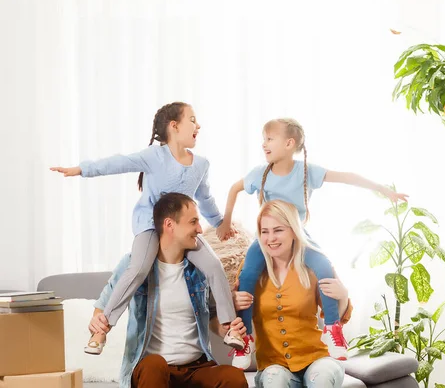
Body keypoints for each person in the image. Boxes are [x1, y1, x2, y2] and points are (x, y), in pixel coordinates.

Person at [50, 102, 241, 354]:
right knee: (138, 268)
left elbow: (205, 199)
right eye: (192, 120)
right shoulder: (154, 156)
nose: (198, 125)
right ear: (174, 126)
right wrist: (82, 169)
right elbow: (118, 163)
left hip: (183, 231)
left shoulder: (201, 165)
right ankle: (102, 328)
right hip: (151, 226)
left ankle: (229, 328)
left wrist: (219, 224)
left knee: (214, 266)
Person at [217, 117, 408, 367]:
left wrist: (384, 190)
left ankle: (332, 327)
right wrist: (226, 221)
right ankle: (244, 340)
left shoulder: (305, 172)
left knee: (325, 268)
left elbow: (347, 177)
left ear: (289, 143)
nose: (264, 144)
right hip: (269, 237)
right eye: (263, 139)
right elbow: (234, 189)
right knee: (247, 279)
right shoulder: (259, 174)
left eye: (269, 139)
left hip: (299, 236)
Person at [90, 192, 248, 388]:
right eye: (193, 222)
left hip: (196, 368)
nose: (200, 229)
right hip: (152, 369)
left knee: (233, 379)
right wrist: (98, 322)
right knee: (155, 365)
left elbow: (213, 316)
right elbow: (104, 304)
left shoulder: (200, 269)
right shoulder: (134, 265)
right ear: (169, 225)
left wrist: (225, 330)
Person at [233, 199, 351, 387]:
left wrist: (343, 295)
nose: (271, 238)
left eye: (278, 230)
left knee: (322, 377)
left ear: (294, 231)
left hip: (317, 359)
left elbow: (338, 313)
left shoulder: (313, 268)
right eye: (265, 232)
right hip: (273, 364)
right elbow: (228, 321)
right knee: (275, 380)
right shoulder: (249, 273)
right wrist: (234, 303)